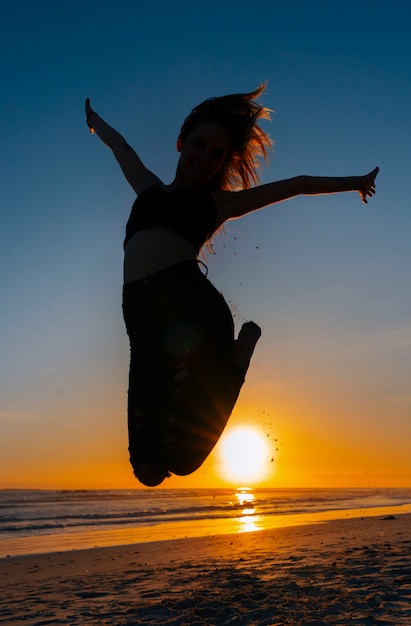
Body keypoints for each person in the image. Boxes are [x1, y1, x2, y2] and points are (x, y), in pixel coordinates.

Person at [85, 85, 378, 487]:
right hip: (140, 320)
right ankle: (230, 365)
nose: (204, 158)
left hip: (189, 310)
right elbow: (121, 148)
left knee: (186, 460)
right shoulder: (148, 188)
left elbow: (298, 184)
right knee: (149, 470)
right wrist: (94, 121)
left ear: (224, 160)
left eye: (216, 154)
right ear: (180, 143)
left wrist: (355, 182)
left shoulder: (218, 204)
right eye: (198, 145)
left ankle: (237, 359)